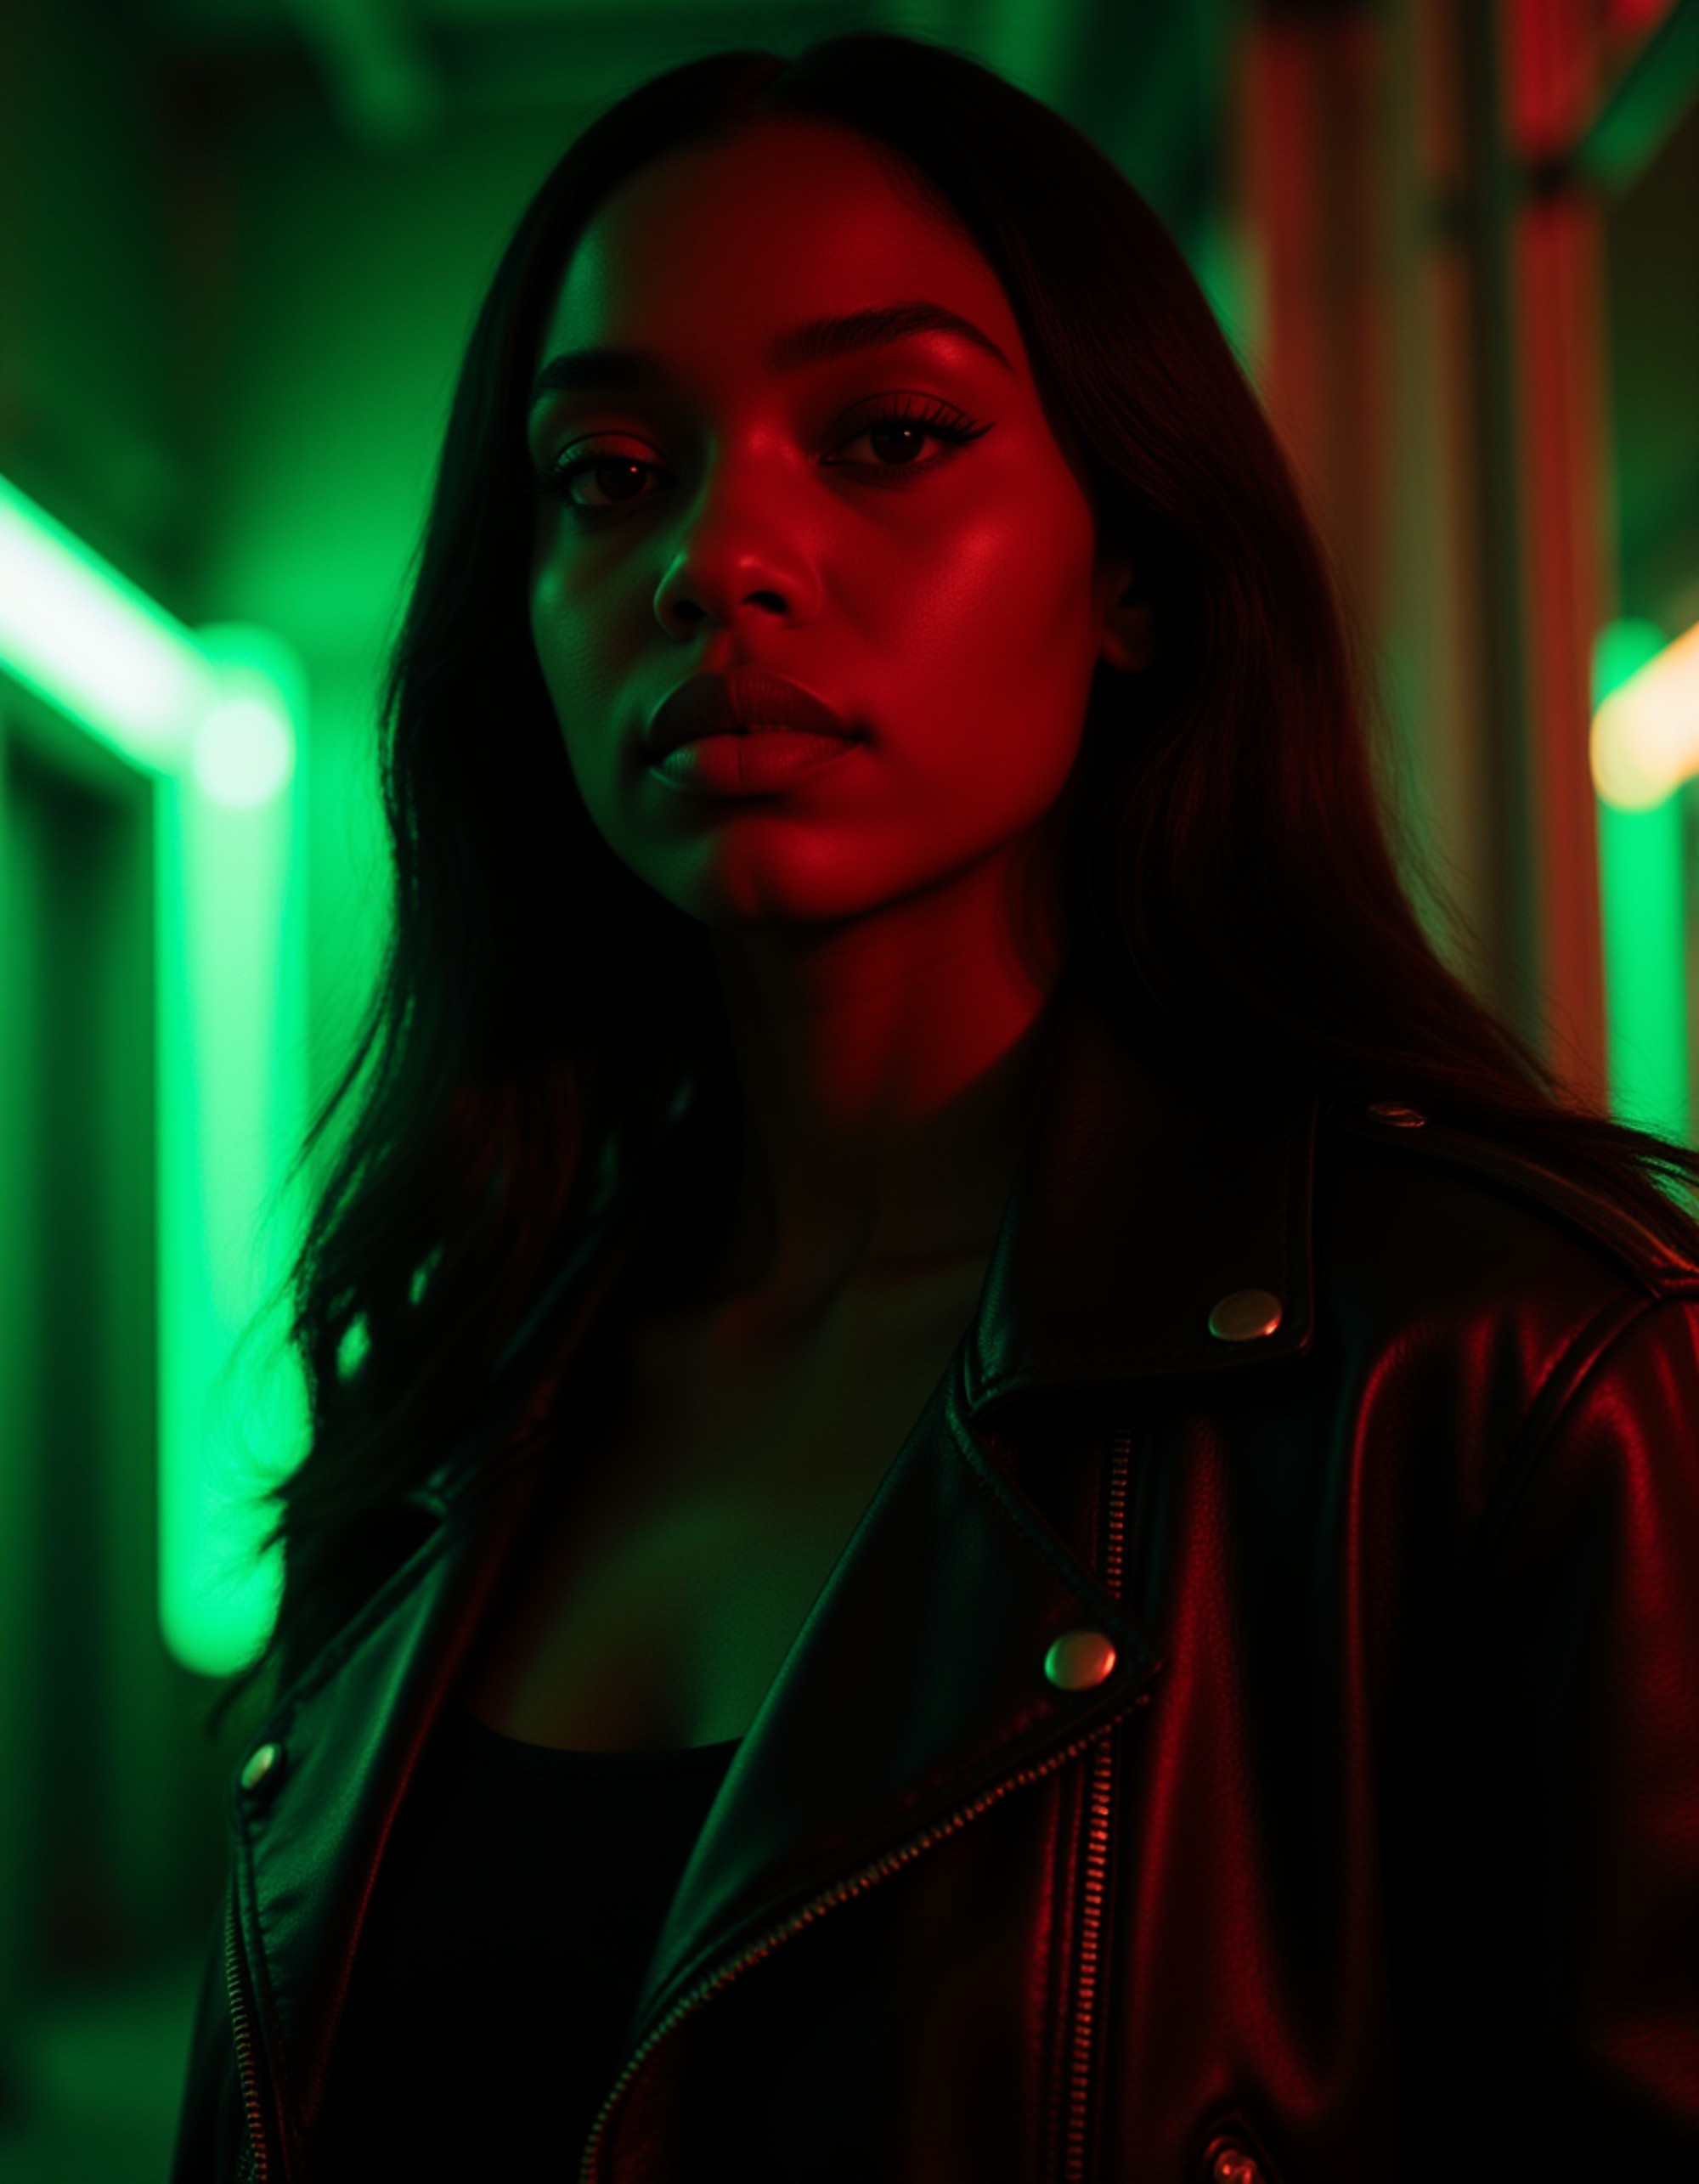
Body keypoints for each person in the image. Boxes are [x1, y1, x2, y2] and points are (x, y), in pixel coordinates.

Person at [170, 30, 1699, 2183]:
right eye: (608, 473)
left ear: (1135, 566)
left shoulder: (1502, 1376)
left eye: (887, 434)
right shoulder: (453, 1386)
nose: (720, 560)